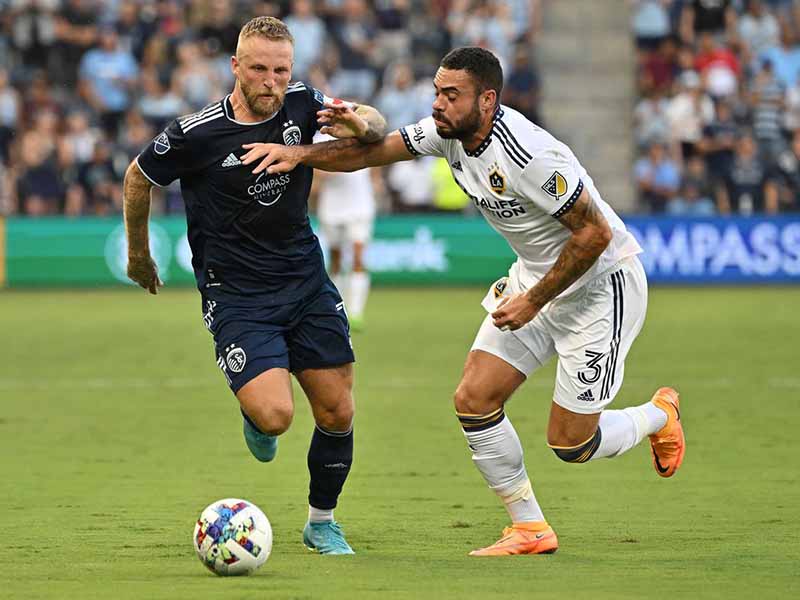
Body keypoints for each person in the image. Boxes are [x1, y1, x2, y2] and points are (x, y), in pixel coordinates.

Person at [240, 46, 686, 557]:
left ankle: (658, 416)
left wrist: (534, 301)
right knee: (473, 399)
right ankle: (530, 528)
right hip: (534, 281)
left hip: (601, 289)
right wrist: (299, 156)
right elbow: (371, 152)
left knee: (571, 444)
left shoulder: (533, 157)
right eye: (436, 92)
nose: (437, 104)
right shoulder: (446, 134)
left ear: (487, 100)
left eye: (451, 95)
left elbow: (594, 233)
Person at [122, 16, 387, 555]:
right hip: (237, 294)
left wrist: (358, 123)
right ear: (236, 67)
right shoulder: (195, 134)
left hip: (305, 281)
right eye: (260, 68)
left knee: (337, 410)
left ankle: (321, 521)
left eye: (281, 69)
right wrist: (137, 254)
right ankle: (254, 415)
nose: (272, 80)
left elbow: (376, 127)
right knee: (277, 415)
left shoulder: (302, 103)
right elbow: (138, 177)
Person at [312, 131, 379, 330]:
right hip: (331, 207)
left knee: (358, 257)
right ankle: (336, 308)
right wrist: (341, 165)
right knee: (336, 260)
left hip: (360, 207)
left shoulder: (363, 134)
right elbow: (316, 171)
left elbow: (376, 162)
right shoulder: (319, 139)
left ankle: (356, 312)